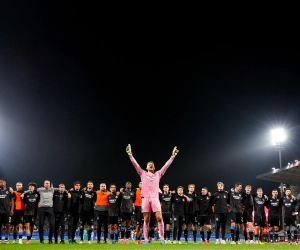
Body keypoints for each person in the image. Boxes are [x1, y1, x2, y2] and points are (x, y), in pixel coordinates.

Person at [126, 144, 179, 245]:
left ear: (154, 167)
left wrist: (173, 156)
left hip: (155, 198)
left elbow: (166, 166)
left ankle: (162, 238)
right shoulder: (142, 173)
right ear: (146, 167)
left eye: (152, 164)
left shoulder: (158, 174)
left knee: (159, 217)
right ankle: (146, 239)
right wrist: (130, 154)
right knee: (146, 219)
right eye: (149, 164)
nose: (151, 165)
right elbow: (135, 164)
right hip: (145, 198)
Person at [0, 178, 14, 244]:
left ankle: (6, 239)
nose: (0, 183)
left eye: (1, 182)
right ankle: (0, 239)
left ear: (4, 183)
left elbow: (12, 201)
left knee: (8, 225)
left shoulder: (9, 190)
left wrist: (12, 210)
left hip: (7, 211)